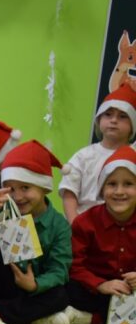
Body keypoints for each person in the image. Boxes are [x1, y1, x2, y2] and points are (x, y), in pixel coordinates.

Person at [0, 141, 73, 324]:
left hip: (35, 291)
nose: (17, 196)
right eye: (11, 189)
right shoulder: (4, 212)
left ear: (44, 189)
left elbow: (59, 270)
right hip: (5, 285)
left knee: (61, 295)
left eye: (25, 188)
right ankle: (32, 318)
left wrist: (35, 285)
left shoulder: (59, 225)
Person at [65, 145, 136, 324]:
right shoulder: (84, 222)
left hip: (131, 290)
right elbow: (75, 266)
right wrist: (99, 284)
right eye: (112, 184)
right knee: (64, 289)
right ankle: (104, 317)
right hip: (94, 290)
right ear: (102, 189)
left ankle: (91, 319)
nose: (119, 192)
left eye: (128, 184)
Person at [59, 82, 136, 223]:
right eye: (108, 115)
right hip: (84, 225)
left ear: (133, 125)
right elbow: (69, 192)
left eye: (122, 116)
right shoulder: (83, 156)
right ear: (99, 120)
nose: (114, 120)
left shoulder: (134, 156)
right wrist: (76, 225)